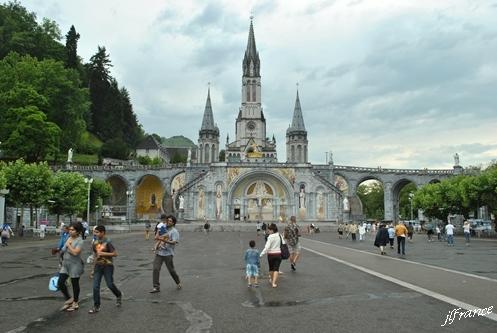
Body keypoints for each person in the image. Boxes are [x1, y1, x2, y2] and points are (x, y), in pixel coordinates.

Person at [88, 225, 123, 314]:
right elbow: (96, 255)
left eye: (97, 232)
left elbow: (115, 254)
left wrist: (103, 253)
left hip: (108, 266)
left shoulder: (108, 242)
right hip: (98, 266)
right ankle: (96, 306)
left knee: (110, 285)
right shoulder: (94, 243)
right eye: (95, 232)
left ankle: (118, 295)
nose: (95, 234)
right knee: (95, 286)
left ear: (103, 232)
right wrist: (93, 269)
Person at [150, 214, 181, 293]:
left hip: (168, 254)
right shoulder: (163, 228)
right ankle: (156, 287)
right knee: (156, 269)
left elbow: (173, 242)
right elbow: (157, 237)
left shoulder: (174, 232)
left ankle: (177, 282)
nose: (168, 222)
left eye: (170, 221)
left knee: (171, 270)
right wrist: (157, 241)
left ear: (173, 223)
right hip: (160, 252)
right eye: (168, 220)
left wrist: (163, 240)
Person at [58, 222, 84, 312]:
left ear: (78, 231)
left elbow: (75, 252)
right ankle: (69, 299)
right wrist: (59, 253)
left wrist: (68, 245)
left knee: (74, 284)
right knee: (60, 282)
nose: (70, 231)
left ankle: (75, 302)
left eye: (73, 230)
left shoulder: (80, 240)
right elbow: (63, 250)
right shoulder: (69, 238)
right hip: (65, 264)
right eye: (70, 229)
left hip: (75, 265)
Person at [260, 223, 282, 288]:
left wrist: (261, 254)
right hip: (278, 254)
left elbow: (267, 247)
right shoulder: (279, 235)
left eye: (269, 230)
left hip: (271, 255)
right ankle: (274, 283)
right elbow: (283, 243)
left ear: (272, 230)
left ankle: (272, 280)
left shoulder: (270, 237)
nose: (268, 231)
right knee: (276, 269)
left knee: (271, 269)